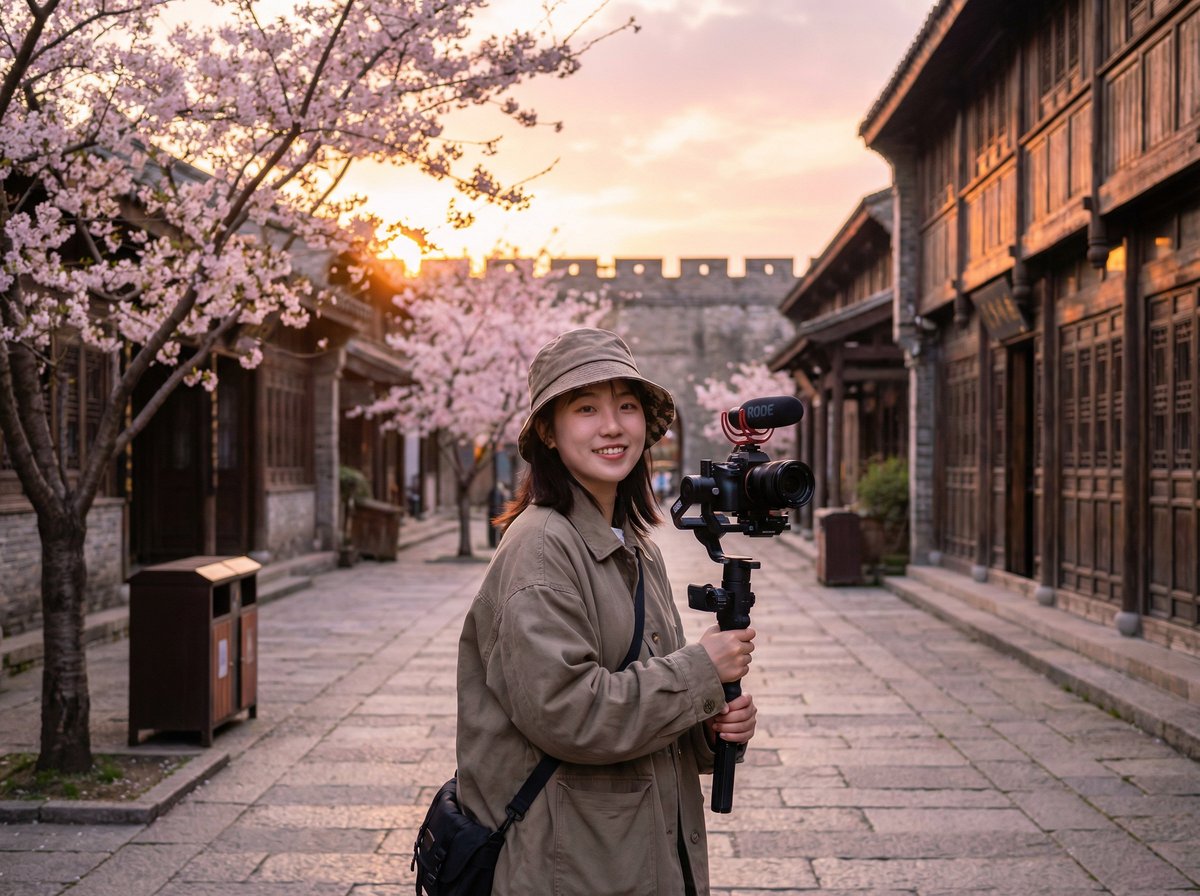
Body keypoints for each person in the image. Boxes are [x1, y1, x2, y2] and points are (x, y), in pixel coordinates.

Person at [456, 328, 757, 895]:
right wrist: (699, 671)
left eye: (626, 406)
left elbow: (638, 696)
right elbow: (566, 712)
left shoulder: (632, 542)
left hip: (630, 857)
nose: (612, 426)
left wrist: (708, 727)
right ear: (548, 430)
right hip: (567, 865)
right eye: (586, 409)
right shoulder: (543, 547)